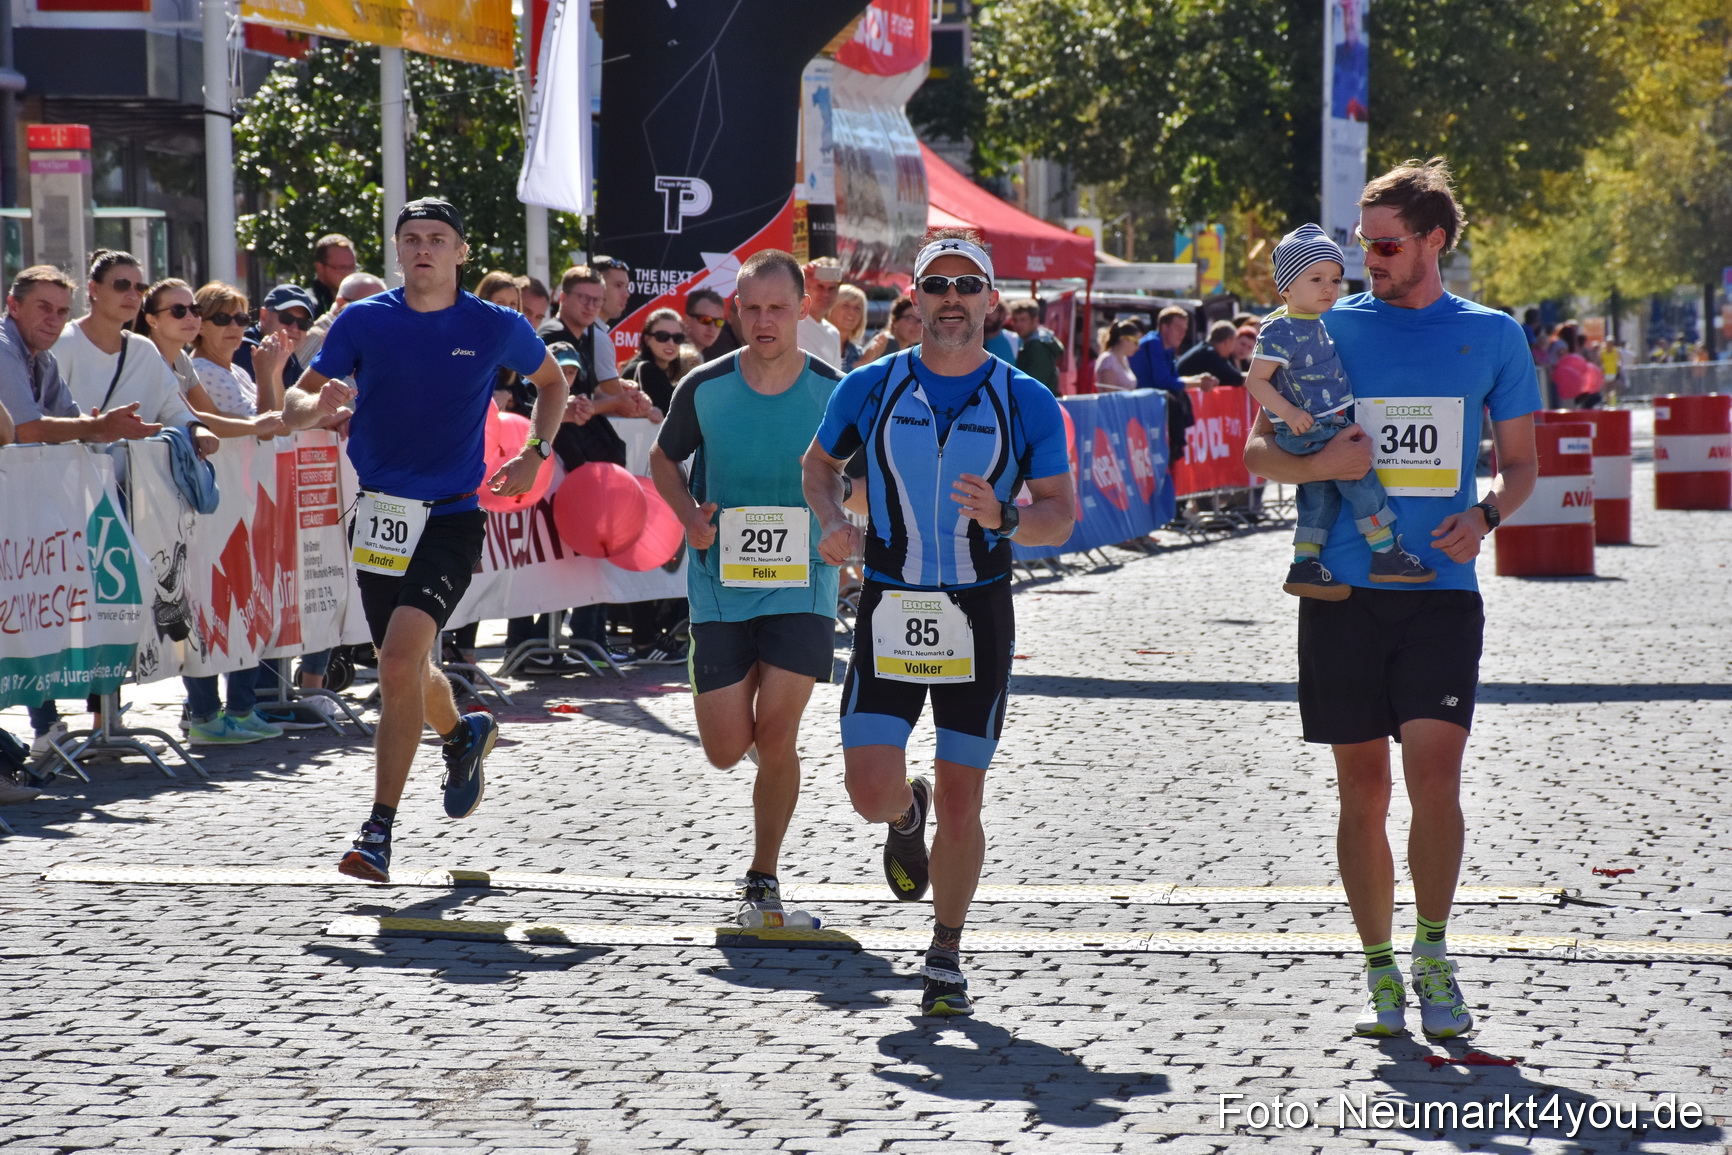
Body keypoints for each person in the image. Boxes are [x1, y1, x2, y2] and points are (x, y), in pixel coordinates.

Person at [1242, 159, 1539, 1041]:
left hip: (1440, 589)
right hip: (1341, 591)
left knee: (1435, 775)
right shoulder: (1327, 324)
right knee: (1362, 789)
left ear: (1434, 241)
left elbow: (1522, 467)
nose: (1365, 257)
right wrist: (1318, 465)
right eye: (1359, 242)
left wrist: (1484, 516)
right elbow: (1258, 452)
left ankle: (1434, 950)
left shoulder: (1493, 336)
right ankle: (1378, 966)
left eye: (1384, 244)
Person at [802, 229, 1077, 1016]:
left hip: (976, 610)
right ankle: (902, 812)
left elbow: (1061, 514)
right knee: (867, 788)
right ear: (914, 300)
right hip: (889, 602)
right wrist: (831, 523)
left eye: (966, 286)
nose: (951, 300)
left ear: (991, 301)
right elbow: (817, 469)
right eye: (936, 286)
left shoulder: (1026, 398)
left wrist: (1009, 515)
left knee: (966, 799)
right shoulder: (872, 385)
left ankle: (946, 947)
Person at [283, 196, 574, 882]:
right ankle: (461, 732)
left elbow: (554, 382)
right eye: (411, 238)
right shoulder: (363, 319)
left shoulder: (493, 323)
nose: (423, 249)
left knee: (400, 659)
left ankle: (378, 829)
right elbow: (298, 397)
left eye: (437, 238)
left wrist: (537, 449)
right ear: (397, 249)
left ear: (461, 252)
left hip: (449, 515)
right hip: (380, 516)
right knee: (402, 664)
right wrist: (314, 407)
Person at [650, 249, 843, 927]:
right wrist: (689, 518)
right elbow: (662, 459)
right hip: (720, 587)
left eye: (778, 308)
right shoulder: (704, 388)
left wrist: (849, 524)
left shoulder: (831, 389)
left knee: (780, 732)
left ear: (801, 310)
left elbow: (872, 470)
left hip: (805, 584)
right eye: (752, 307)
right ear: (735, 311)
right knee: (727, 747)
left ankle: (763, 878)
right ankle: (765, 765)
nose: (764, 320)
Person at [1, 264, 161, 761]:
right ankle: (42, 727)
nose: (53, 320)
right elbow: (26, 430)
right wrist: (96, 429)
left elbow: (72, 423)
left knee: (27, 612)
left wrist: (102, 427)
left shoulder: (41, 359)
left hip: (24, 512)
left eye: (61, 311)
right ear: (13, 306)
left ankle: (46, 725)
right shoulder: (4, 346)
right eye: (43, 308)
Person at [1244, 224, 1434, 599]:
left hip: (1323, 424)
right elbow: (1256, 381)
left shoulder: (1313, 323)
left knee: (1319, 498)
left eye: (1334, 278)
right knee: (1361, 481)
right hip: (1315, 428)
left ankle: (1305, 563)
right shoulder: (1280, 329)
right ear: (1286, 288)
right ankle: (1385, 553)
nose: (1329, 288)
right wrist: (1289, 413)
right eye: (1316, 279)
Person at [55, 251, 218, 460]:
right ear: (94, 289)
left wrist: (197, 429)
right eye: (121, 285)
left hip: (134, 483)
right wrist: (96, 427)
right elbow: (49, 413)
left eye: (140, 288)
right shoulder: (63, 342)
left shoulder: (144, 349)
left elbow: (172, 406)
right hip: (74, 479)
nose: (132, 296)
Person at [299, 272, 388, 368]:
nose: (378, 316)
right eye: (370, 308)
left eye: (383, 308)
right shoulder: (317, 338)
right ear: (341, 302)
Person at [621, 307, 695, 413]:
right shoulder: (646, 370)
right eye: (662, 336)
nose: (671, 343)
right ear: (647, 339)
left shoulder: (656, 370)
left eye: (677, 338)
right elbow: (677, 412)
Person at [1004, 299, 1065, 395]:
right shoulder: (1032, 344)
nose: (1018, 324)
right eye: (1015, 320)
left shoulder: (1038, 348)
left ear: (1035, 320)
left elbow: (1033, 386)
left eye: (1023, 320)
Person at [795, 257, 843, 368]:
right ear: (807, 286)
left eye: (832, 288)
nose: (826, 294)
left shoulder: (834, 333)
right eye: (820, 287)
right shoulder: (791, 321)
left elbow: (836, 377)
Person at [1176, 319, 1248, 387]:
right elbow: (1236, 379)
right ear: (1227, 341)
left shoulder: (1204, 350)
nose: (1233, 348)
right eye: (1233, 342)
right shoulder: (1209, 355)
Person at [859, 295, 922, 365]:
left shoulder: (910, 350)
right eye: (911, 318)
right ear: (894, 321)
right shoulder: (888, 342)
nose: (918, 325)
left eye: (921, 321)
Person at [311, 234, 358, 315]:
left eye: (352, 267)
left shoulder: (360, 301)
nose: (348, 273)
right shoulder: (308, 307)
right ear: (320, 268)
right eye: (342, 268)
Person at [828, 283, 869, 372]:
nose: (852, 312)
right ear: (831, 308)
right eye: (845, 305)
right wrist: (861, 363)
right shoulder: (818, 342)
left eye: (857, 308)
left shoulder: (857, 353)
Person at [1093, 319, 1142, 391]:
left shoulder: (1124, 359)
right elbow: (1110, 396)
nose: (1138, 347)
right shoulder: (1108, 360)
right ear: (1124, 339)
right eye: (1136, 342)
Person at [683, 288, 730, 362]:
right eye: (705, 319)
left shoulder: (719, 357)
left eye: (719, 322)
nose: (712, 328)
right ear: (687, 320)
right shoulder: (671, 354)